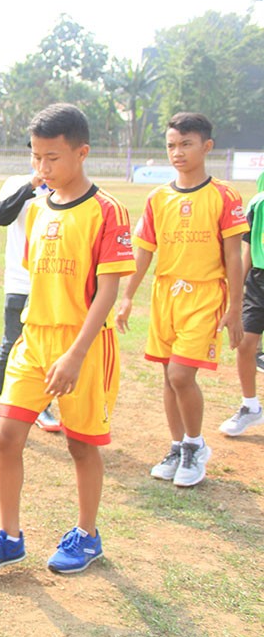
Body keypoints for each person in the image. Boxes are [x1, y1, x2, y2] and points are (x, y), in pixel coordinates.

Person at [0, 103, 135, 577]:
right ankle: (9, 537)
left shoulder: (107, 210)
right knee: (6, 435)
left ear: (82, 153)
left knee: (81, 445)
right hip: (33, 339)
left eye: (52, 158)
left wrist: (77, 355)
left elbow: (106, 291)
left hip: (82, 344)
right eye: (36, 157)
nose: (42, 169)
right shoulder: (38, 207)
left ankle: (87, 535)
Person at [115, 113, 248, 487]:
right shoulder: (158, 198)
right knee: (168, 376)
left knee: (180, 373)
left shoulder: (223, 195)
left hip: (205, 295)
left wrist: (235, 307)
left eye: (186, 144)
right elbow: (144, 251)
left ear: (206, 147)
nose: (178, 152)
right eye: (172, 145)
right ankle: (176, 446)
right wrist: (127, 296)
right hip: (165, 295)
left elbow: (234, 256)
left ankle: (194, 445)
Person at [0, 169, 60, 433]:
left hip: (54, 283)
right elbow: (0, 216)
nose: (43, 163)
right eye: (38, 155)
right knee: (12, 343)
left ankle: (41, 406)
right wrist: (32, 185)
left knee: (51, 346)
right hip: (20, 282)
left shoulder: (63, 186)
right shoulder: (16, 183)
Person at [222, 170, 264, 437]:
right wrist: (235, 296)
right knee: (246, 344)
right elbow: (246, 249)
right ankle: (250, 407)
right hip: (259, 280)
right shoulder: (258, 202)